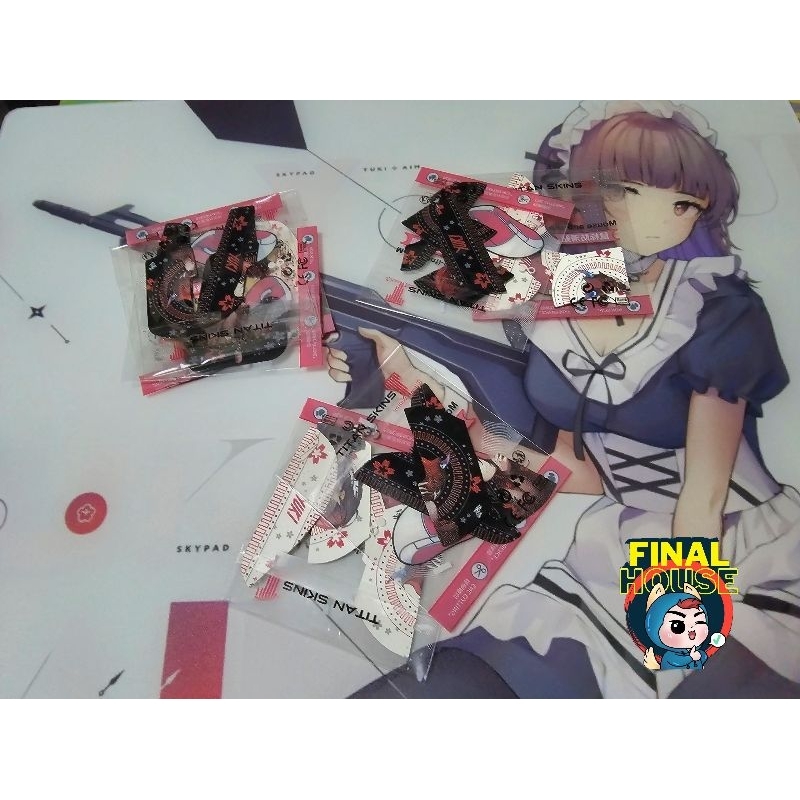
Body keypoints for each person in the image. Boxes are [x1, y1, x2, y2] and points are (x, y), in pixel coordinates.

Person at [327, 101, 800, 698]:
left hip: (736, 552)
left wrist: (676, 640)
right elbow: (585, 469)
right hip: (626, 548)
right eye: (628, 191)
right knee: (447, 689)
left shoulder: (714, 306)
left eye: (684, 204)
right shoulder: (563, 299)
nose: (659, 220)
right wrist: (408, 377)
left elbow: (703, 499)